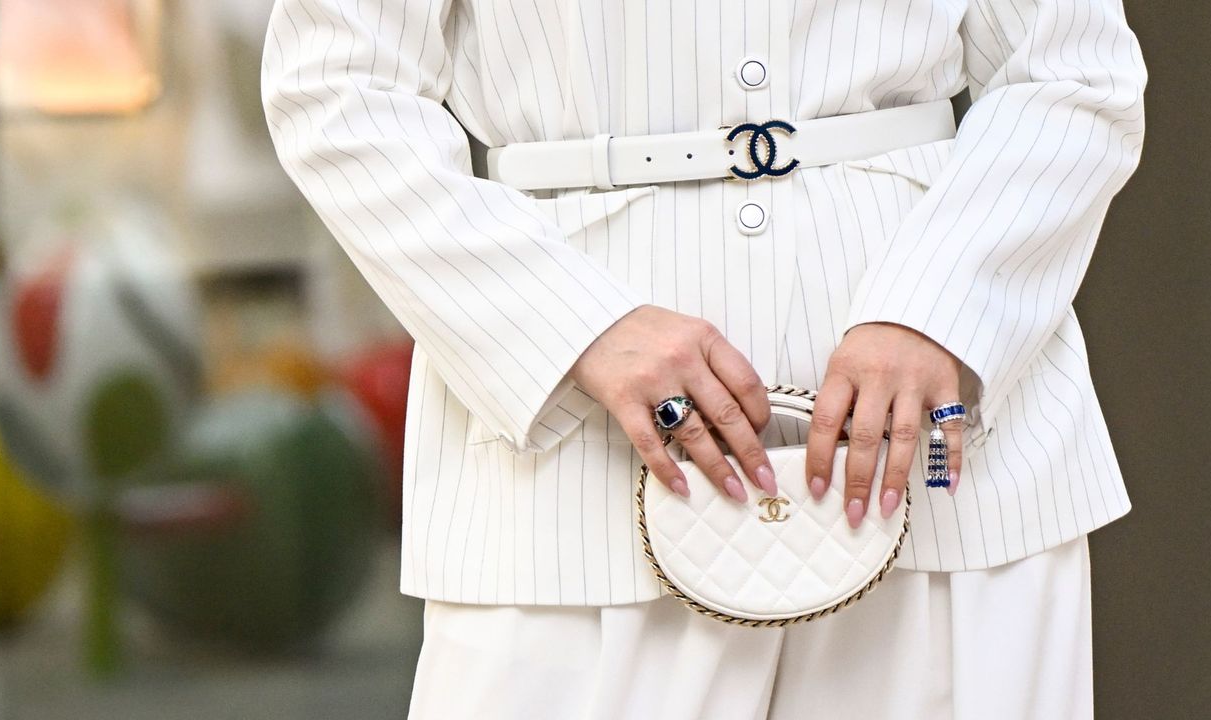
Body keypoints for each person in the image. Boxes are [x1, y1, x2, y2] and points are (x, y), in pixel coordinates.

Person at [261, 0, 1147, 717]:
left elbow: (1071, 66)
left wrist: (942, 311)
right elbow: (337, 88)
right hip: (577, 466)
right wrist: (576, 325)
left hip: (945, 463)